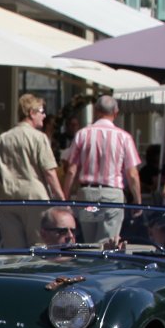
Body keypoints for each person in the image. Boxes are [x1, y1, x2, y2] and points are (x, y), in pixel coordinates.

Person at [0, 93, 65, 247]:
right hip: (34, 199)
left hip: (7, 198)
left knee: (14, 249)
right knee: (39, 246)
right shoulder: (39, 138)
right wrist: (61, 199)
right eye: (41, 111)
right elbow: (49, 171)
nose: (44, 115)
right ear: (31, 113)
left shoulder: (4, 138)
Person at [63, 94, 141, 242]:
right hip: (111, 197)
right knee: (107, 242)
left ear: (96, 111)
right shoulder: (124, 137)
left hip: (88, 196)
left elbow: (71, 170)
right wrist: (137, 201)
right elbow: (132, 174)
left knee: (90, 241)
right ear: (115, 113)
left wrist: (65, 198)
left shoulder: (82, 134)